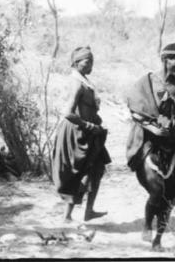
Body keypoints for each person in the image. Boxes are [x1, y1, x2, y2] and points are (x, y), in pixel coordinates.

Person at [126, 43, 175, 250]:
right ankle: (147, 224)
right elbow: (135, 111)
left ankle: (158, 240)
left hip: (174, 145)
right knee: (156, 191)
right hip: (149, 143)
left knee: (170, 196)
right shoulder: (147, 82)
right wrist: (153, 129)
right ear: (165, 60)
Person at [51, 46, 111, 223]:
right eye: (87, 61)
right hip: (78, 133)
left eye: (92, 60)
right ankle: (67, 216)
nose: (91, 64)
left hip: (89, 133)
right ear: (76, 63)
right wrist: (89, 125)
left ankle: (89, 211)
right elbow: (68, 113)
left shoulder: (84, 81)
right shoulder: (77, 83)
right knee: (78, 172)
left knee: (96, 168)